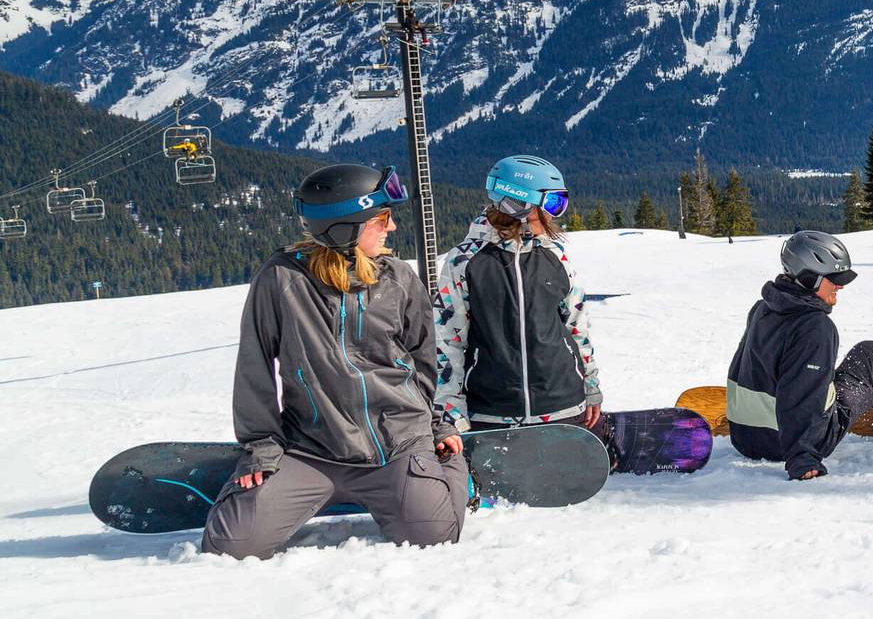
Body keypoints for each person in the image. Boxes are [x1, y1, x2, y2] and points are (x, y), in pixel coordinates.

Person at [202, 163, 467, 559]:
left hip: (394, 446)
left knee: (434, 535)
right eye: (382, 220)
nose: (391, 229)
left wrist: (433, 424)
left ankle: (450, 472)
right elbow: (254, 367)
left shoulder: (398, 279)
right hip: (311, 449)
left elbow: (424, 363)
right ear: (347, 229)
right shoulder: (281, 281)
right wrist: (261, 446)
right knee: (231, 545)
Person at [725, 231, 873, 480]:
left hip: (746, 437)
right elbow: (802, 391)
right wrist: (802, 456)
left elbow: (746, 367)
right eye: (834, 279)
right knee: (872, 355)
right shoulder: (815, 327)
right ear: (808, 279)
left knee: (826, 372)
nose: (840, 286)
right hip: (790, 444)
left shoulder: (763, 309)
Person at [435, 155, 602, 436]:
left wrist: (592, 387)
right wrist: (450, 413)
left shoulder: (554, 256)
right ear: (519, 204)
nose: (553, 214)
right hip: (492, 412)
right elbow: (446, 340)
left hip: (563, 405)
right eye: (551, 203)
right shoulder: (465, 262)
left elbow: (577, 326)